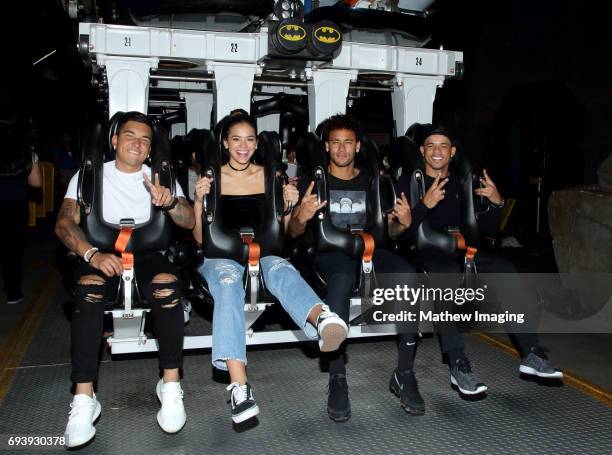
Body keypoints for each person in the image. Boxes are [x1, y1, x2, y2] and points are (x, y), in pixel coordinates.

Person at [193, 112, 348, 424]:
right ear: (225, 142)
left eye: (250, 139)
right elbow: (199, 237)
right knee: (227, 282)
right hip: (221, 258)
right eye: (236, 139)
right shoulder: (212, 179)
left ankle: (323, 320)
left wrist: (289, 205)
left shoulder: (270, 177)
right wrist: (199, 201)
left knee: (281, 269)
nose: (243, 145)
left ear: (256, 144)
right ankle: (239, 387)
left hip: (262, 253)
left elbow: (285, 233)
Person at [55, 112, 195, 447]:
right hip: (100, 252)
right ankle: (85, 397)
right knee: (88, 290)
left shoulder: (159, 176)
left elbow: (189, 221)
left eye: (146, 139)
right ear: (114, 141)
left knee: (166, 285)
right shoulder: (88, 177)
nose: (138, 143)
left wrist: (171, 200)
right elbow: (63, 224)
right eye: (130, 136)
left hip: (147, 254)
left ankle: (171, 385)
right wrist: (91, 254)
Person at [396, 124, 563, 395]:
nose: (437, 151)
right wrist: (424, 205)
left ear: (452, 152)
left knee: (505, 269)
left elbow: (489, 230)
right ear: (421, 151)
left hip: (463, 252)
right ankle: (457, 362)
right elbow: (400, 234)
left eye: (443, 146)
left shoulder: (465, 181)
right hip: (426, 253)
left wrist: (497, 203)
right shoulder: (409, 182)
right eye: (430, 146)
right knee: (445, 278)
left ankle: (531, 351)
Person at [289, 114, 424, 420]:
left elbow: (387, 233)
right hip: (333, 255)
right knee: (340, 279)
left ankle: (404, 372)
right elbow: (294, 232)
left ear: (357, 146)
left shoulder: (374, 181)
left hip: (370, 250)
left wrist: (401, 225)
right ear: (326, 146)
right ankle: (337, 377)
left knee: (407, 275)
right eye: (335, 142)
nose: (341, 149)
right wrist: (301, 215)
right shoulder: (315, 182)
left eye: (347, 142)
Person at [0, 114, 41, 304]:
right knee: (12, 251)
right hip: (15, 206)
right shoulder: (27, 153)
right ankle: (13, 293)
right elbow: (36, 183)